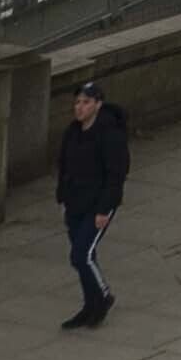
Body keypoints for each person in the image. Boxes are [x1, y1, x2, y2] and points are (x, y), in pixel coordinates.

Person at [58, 75, 132, 330]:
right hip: (76, 204)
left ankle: (103, 296)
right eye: (77, 102)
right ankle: (91, 305)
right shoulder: (73, 132)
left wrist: (104, 209)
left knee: (81, 255)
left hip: (97, 205)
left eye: (86, 102)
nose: (80, 107)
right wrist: (63, 197)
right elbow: (64, 166)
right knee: (85, 256)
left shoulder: (110, 135)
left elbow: (116, 174)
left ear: (98, 104)